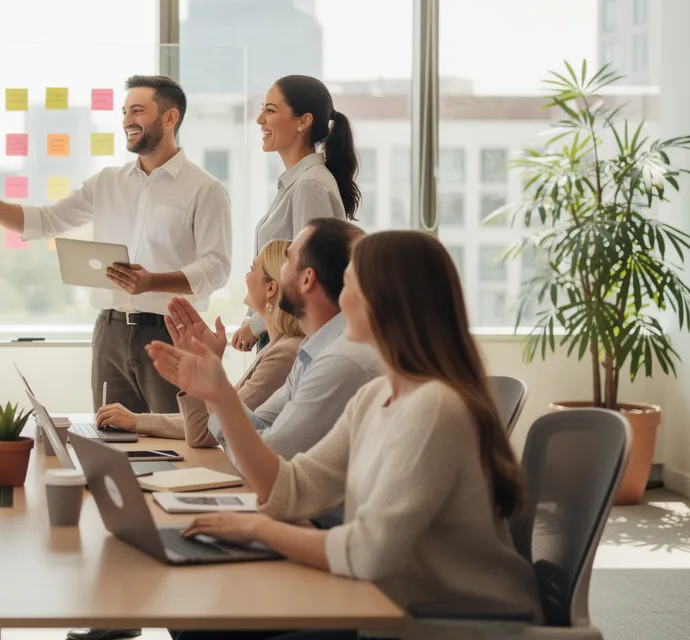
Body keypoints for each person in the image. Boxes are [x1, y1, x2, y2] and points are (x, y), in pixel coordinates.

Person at [147, 231, 541, 640]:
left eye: (350, 283)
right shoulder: (377, 396)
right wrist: (221, 395)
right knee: (198, 625)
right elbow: (290, 488)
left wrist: (255, 529)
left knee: (203, 631)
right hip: (387, 601)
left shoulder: (434, 407)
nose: (340, 298)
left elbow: (367, 552)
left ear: (386, 299)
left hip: (449, 620)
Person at [0, 75, 231, 417]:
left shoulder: (205, 189)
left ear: (170, 118)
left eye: (137, 111)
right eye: (124, 111)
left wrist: (153, 281)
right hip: (109, 332)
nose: (127, 120)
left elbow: (217, 266)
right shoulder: (107, 182)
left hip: (171, 334)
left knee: (176, 441)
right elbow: (45, 221)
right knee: (111, 436)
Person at [158, 218, 381, 461]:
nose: (280, 270)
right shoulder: (313, 350)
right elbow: (257, 426)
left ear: (307, 279)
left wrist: (214, 381)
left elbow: (266, 457)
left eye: (288, 259)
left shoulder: (340, 361)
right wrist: (210, 374)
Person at [94, 239, 303, 447]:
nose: (246, 276)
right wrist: (137, 421)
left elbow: (206, 432)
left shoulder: (284, 354)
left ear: (271, 289)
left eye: (252, 269)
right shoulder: (278, 348)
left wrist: (203, 369)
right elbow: (212, 423)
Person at [233, 75, 360, 354]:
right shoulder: (297, 182)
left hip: (294, 337)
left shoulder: (309, 185)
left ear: (303, 121)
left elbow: (309, 275)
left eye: (270, 110)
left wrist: (255, 326)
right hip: (278, 328)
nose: (259, 119)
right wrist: (255, 320)